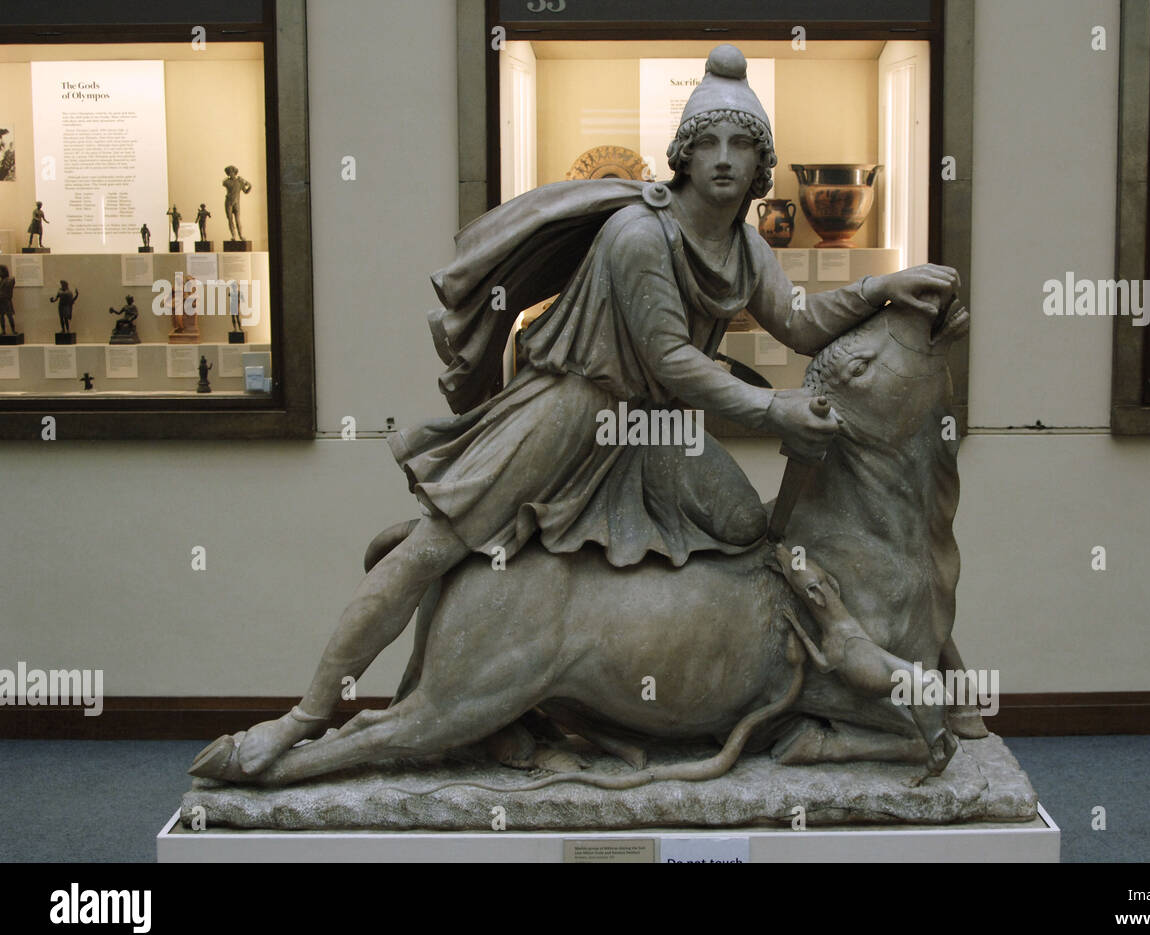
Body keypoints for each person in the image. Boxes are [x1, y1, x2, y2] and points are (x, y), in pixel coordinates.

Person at [192, 44, 958, 780]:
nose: (725, 158)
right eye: (709, 142)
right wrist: (774, 411)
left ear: (762, 164)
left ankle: (636, 690)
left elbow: (796, 320)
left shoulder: (745, 247)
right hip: (569, 414)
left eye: (742, 145)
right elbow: (674, 364)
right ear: (682, 156)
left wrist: (885, 288)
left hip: (650, 430)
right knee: (432, 550)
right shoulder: (639, 235)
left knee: (741, 526)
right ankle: (302, 718)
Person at [222, 166, 252, 241]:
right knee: (230, 219)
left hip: (236, 203)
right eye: (228, 173)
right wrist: (242, 181)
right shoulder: (227, 182)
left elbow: (246, 192)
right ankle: (233, 235)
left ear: (235, 173)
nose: (230, 174)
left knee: (238, 219)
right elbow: (223, 182)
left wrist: (249, 186)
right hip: (228, 202)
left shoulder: (240, 182)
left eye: (232, 172)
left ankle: (241, 235)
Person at [0, 265, 17, 336]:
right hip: (1, 300)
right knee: (1, 316)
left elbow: (6, 290)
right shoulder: (2, 281)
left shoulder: (10, 280)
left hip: (6, 300)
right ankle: (3, 331)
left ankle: (13, 330)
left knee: (9, 316)